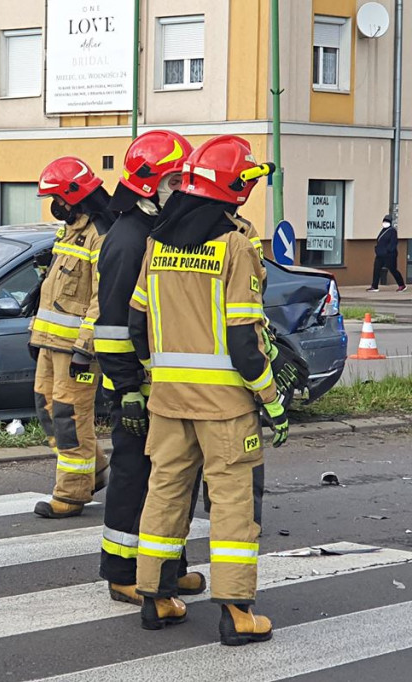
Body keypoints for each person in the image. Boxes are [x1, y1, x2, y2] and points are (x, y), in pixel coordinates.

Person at [128, 135, 289, 646]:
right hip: (225, 409)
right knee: (232, 504)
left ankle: (156, 598)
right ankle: (237, 612)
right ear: (234, 191)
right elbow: (245, 342)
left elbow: (137, 326)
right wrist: (272, 400)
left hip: (168, 402)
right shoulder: (235, 247)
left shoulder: (157, 243)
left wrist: (160, 374)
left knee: (164, 494)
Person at [95, 130, 207, 606]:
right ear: (147, 183)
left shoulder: (155, 231)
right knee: (134, 476)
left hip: (161, 386)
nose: (181, 187)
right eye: (174, 179)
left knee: (170, 479)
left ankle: (166, 566)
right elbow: (114, 327)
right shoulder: (128, 240)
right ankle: (123, 571)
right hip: (135, 389)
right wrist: (128, 392)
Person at [31, 157, 114, 519]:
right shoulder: (71, 230)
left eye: (57, 198)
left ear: (74, 195)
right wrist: (37, 334)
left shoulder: (100, 234)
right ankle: (93, 470)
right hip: (51, 343)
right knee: (47, 410)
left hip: (76, 350)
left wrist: (86, 346)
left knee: (69, 416)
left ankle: (71, 493)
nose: (55, 205)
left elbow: (102, 297)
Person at [368, 214, 406, 292]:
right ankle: (374, 286)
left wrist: (387, 251)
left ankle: (401, 285)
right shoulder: (383, 231)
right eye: (384, 221)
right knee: (376, 269)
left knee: (393, 270)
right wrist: (377, 250)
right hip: (380, 255)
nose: (385, 223)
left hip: (389, 255)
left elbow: (393, 243)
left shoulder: (392, 231)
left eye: (387, 221)